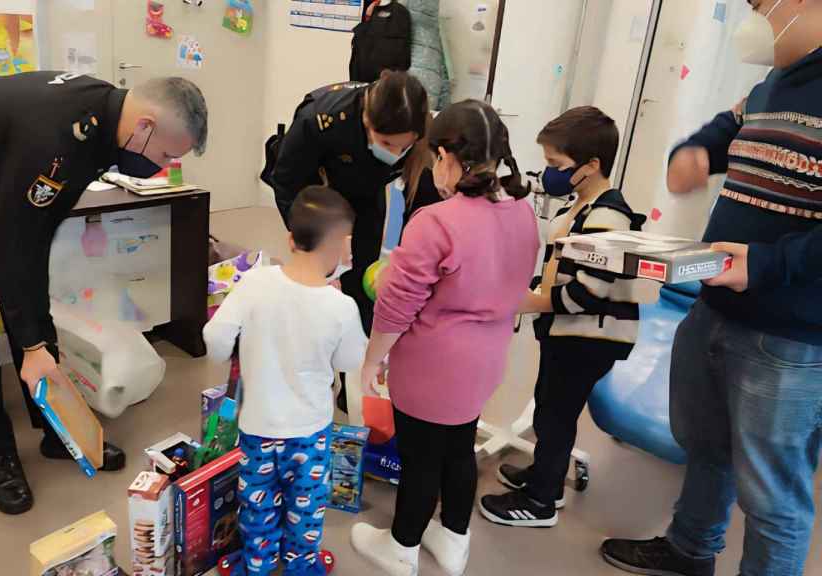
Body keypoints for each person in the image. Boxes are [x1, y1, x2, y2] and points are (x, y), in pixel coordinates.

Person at [0, 72, 208, 515]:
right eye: (165, 154)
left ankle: (55, 430)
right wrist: (30, 345)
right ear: (145, 125)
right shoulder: (59, 135)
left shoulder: (103, 119)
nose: (162, 167)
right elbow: (9, 245)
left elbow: (30, 234)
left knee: (34, 307)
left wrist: (35, 338)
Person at [600, 2, 822, 575]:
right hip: (715, 302)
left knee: (772, 496)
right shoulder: (772, 84)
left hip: (791, 337)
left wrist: (768, 266)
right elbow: (718, 135)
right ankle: (690, 548)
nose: (755, 20)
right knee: (706, 447)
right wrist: (692, 154)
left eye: (760, 6)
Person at [350, 100, 539, 576]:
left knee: (420, 459)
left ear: (450, 156)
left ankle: (401, 547)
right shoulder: (522, 211)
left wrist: (372, 360)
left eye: (437, 156)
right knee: (459, 447)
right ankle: (455, 538)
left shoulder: (435, 222)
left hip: (434, 366)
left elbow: (395, 307)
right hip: (487, 359)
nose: (436, 167)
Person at [479, 106, 645, 527]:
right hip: (566, 331)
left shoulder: (608, 217)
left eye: (556, 165)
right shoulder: (579, 206)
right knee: (548, 405)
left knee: (556, 416)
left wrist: (530, 301)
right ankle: (543, 475)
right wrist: (535, 287)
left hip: (590, 337)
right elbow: (560, 269)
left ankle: (541, 502)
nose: (548, 174)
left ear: (591, 165)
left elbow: (589, 291)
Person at [203, 186, 367, 576]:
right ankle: (301, 566)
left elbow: (214, 339)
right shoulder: (341, 306)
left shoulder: (255, 282)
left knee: (258, 506)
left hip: (258, 428)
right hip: (310, 433)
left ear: (290, 239)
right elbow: (350, 361)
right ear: (344, 246)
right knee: (305, 509)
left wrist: (232, 352)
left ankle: (257, 565)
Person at [268, 70, 427, 410]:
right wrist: (314, 240)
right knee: (318, 287)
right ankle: (314, 375)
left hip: (366, 195)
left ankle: (354, 380)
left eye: (405, 145)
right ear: (366, 119)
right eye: (386, 143)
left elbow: (422, 198)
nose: (396, 152)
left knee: (362, 282)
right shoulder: (321, 119)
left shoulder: (419, 131)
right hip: (318, 197)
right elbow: (286, 183)